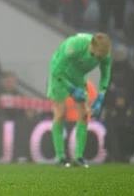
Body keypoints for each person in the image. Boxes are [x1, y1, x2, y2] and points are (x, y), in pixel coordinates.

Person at [47, 32, 112, 168]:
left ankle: (78, 157)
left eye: (101, 57)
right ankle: (60, 157)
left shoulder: (105, 55)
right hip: (60, 74)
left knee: (83, 115)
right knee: (60, 114)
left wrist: (100, 97)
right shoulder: (74, 46)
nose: (98, 58)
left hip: (78, 76)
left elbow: (105, 76)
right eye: (95, 55)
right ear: (91, 46)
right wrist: (71, 89)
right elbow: (56, 70)